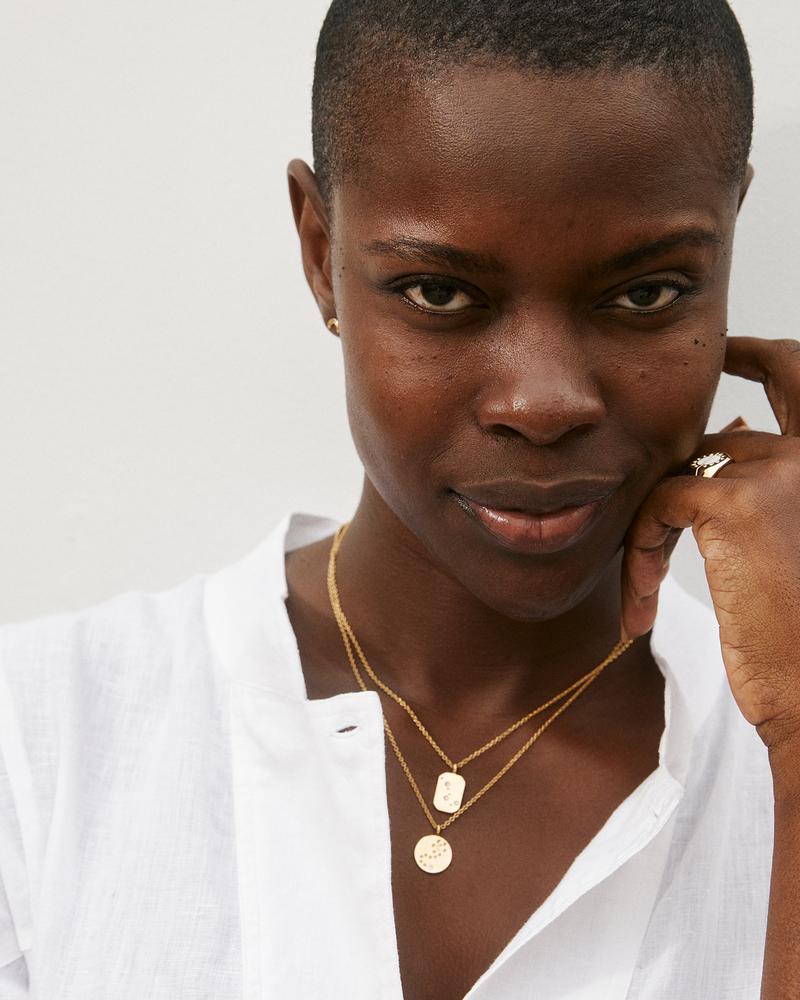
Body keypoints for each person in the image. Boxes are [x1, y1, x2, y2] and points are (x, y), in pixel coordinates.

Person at [2, 0, 799, 997]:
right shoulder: (39, 743)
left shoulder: (774, 732)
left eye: (647, 293)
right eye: (438, 291)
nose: (541, 402)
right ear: (319, 250)